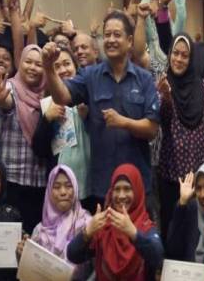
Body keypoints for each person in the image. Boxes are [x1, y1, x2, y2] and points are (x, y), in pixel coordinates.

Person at [42, 11, 160, 203]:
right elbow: (62, 96)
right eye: (107, 35)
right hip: (103, 185)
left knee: (137, 234)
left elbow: (152, 129)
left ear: (130, 41)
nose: (111, 40)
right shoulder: (90, 75)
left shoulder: (144, 79)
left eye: (117, 35)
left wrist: (124, 123)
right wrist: (48, 69)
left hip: (137, 183)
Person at [158, 33, 204, 241]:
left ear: (191, 59)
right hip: (170, 175)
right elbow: (161, 123)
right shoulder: (165, 85)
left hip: (197, 179)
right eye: (175, 53)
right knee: (171, 229)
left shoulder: (203, 86)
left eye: (185, 55)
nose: (179, 59)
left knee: (194, 233)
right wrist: (165, 97)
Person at [0, 44, 47, 234]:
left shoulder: (47, 93)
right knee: (10, 241)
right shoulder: (8, 87)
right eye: (28, 62)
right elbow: (7, 105)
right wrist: (0, 101)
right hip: (12, 180)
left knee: (33, 240)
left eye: (38, 64)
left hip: (38, 180)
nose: (32, 67)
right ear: (20, 63)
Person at [32, 47, 91, 204]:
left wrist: (87, 118)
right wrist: (47, 120)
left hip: (90, 185)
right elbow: (39, 149)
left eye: (67, 64)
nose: (63, 70)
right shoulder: (48, 103)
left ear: (75, 67)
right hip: (61, 188)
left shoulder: (89, 95)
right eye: (56, 67)